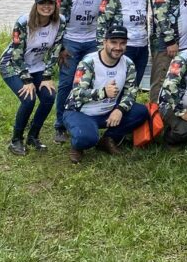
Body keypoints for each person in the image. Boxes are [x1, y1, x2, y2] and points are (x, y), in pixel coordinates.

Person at [63, 25, 149, 164]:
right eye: (113, 42)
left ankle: (108, 138)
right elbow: (77, 93)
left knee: (141, 111)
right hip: (81, 111)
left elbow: (131, 92)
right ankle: (78, 144)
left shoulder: (128, 64)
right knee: (87, 138)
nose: (118, 47)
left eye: (122, 43)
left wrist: (120, 110)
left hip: (108, 112)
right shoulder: (88, 62)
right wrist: (103, 92)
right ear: (104, 42)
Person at [0, 0, 66, 155]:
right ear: (36, 5)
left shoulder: (60, 21)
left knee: (49, 96)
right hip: (12, 64)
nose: (46, 6)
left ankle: (33, 136)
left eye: (50, 3)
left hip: (37, 65)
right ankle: (16, 140)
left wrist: (47, 76)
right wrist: (27, 81)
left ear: (55, 5)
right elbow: (16, 54)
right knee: (28, 99)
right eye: (42, 3)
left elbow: (55, 50)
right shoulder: (23, 22)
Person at [55, 0, 110, 143]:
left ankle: (83, 119)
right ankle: (60, 125)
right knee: (66, 82)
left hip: (94, 42)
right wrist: (60, 47)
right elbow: (57, 20)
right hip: (70, 40)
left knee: (89, 83)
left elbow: (110, 19)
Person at [97, 0, 150, 86]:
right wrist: (102, 51)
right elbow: (102, 24)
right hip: (123, 48)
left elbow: (145, 22)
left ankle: (129, 105)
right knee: (120, 84)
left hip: (142, 48)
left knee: (135, 84)